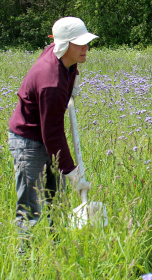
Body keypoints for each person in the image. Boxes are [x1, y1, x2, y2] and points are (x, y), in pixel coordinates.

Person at [7, 17, 95, 234]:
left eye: (86, 42)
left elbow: (70, 68)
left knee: (55, 203)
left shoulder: (62, 56)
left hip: (46, 135)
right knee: (30, 209)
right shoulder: (51, 83)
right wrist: (72, 173)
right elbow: (52, 135)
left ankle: (56, 250)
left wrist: (71, 84)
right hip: (28, 141)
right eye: (80, 43)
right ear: (64, 46)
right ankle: (25, 259)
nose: (86, 48)